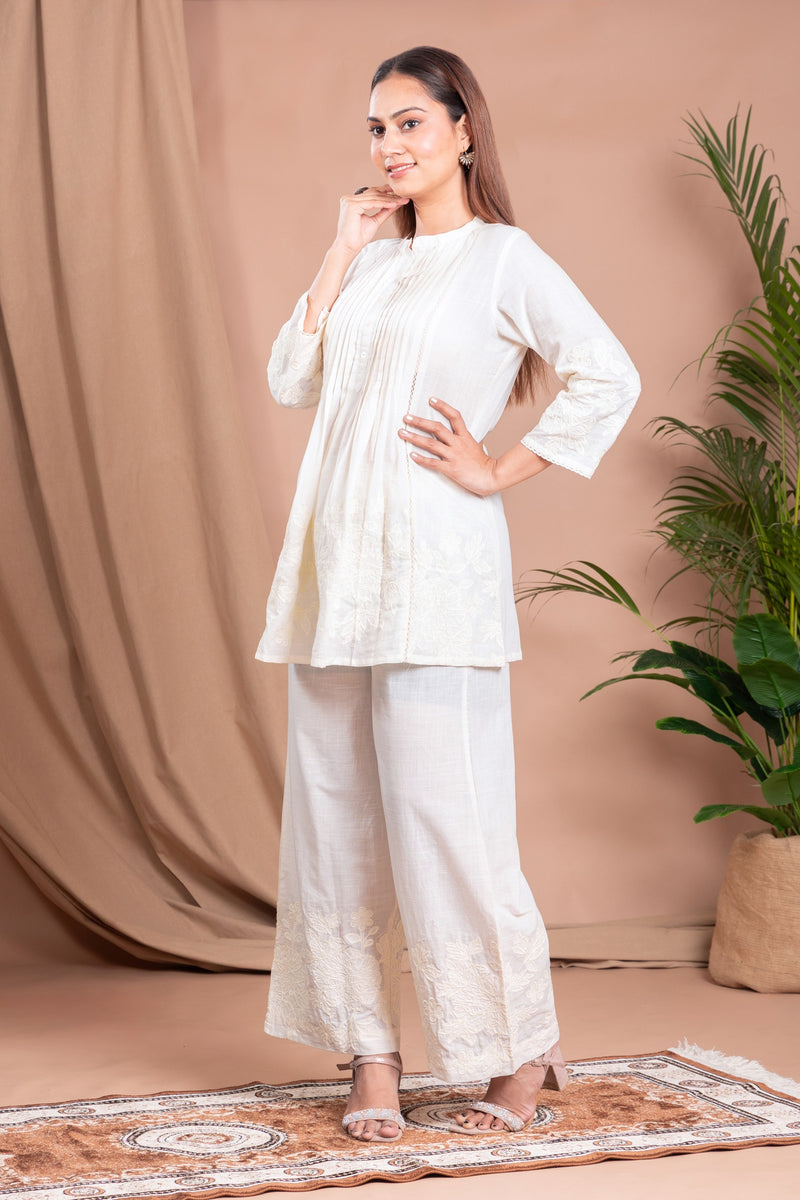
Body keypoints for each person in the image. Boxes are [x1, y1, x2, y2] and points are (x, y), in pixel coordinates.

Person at [255, 45, 640, 1143]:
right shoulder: (371, 265)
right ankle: (369, 1056)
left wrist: (498, 469)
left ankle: (517, 1050)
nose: (391, 145)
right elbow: (290, 378)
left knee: (448, 820)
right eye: (377, 128)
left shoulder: (504, 259)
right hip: (335, 574)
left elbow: (606, 372)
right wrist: (341, 249)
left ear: (464, 130)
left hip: (435, 567)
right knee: (333, 819)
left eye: (412, 123)